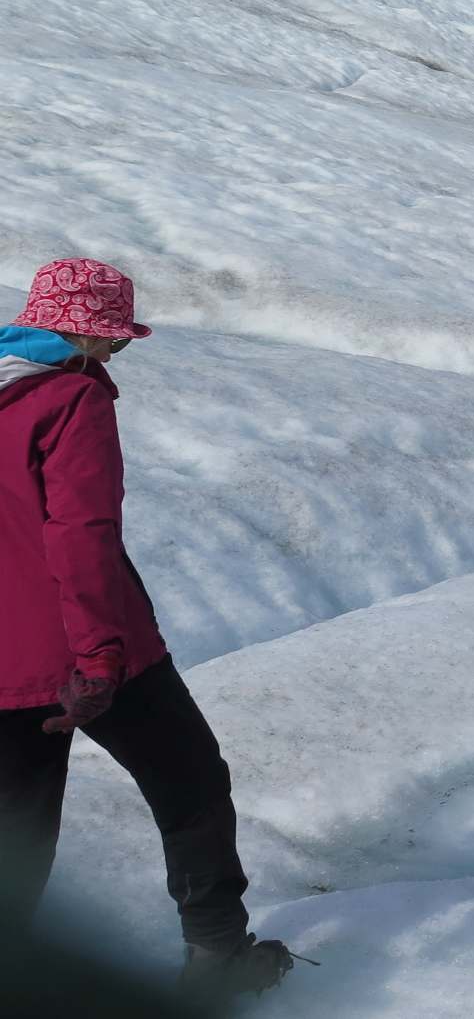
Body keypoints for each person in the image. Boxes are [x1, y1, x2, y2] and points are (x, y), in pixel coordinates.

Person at [0, 260, 294, 1001]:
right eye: (113, 341)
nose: (114, 355)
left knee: (16, 839)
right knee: (189, 779)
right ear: (86, 333)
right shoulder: (69, 399)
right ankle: (218, 955)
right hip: (79, 648)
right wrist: (100, 655)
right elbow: (81, 536)